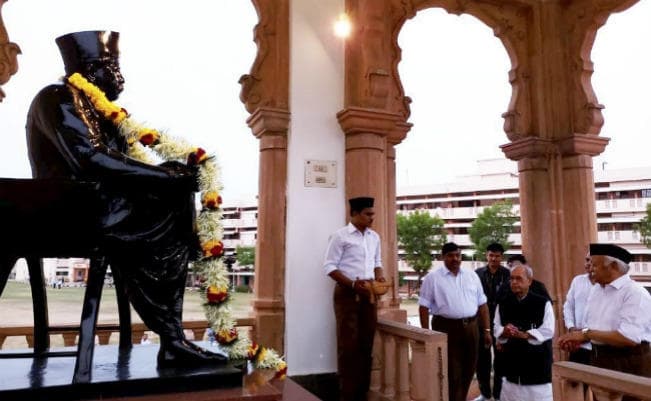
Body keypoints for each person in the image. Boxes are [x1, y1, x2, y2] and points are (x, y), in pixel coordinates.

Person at [26, 30, 225, 367]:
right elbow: (91, 158)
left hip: (102, 206)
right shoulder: (58, 97)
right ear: (90, 70)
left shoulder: (104, 112)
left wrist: (171, 173)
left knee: (174, 189)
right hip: (70, 211)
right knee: (170, 198)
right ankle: (173, 337)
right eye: (112, 66)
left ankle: (172, 337)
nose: (119, 75)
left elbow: (125, 165)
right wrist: (166, 177)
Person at [558, 243, 651, 401]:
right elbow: (594, 328)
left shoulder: (635, 293)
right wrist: (577, 339)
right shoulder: (597, 290)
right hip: (599, 360)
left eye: (595, 265)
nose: (590, 268)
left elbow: (628, 337)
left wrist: (586, 335)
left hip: (628, 364)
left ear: (613, 266)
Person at [323, 196, 385, 401]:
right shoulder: (340, 236)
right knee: (348, 346)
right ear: (355, 214)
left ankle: (362, 394)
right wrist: (351, 284)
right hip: (347, 294)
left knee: (367, 345)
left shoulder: (374, 237)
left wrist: (379, 278)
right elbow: (329, 266)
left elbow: (377, 262)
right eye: (368, 214)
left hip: (369, 294)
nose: (372, 217)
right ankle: (347, 395)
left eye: (373, 214)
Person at [419, 242, 492, 401]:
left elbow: (482, 304)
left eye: (458, 255)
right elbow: (423, 307)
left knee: (469, 368)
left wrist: (487, 330)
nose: (455, 259)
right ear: (443, 257)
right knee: (452, 373)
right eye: (450, 256)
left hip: (471, 328)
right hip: (446, 328)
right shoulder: (432, 278)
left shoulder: (472, 276)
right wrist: (425, 333)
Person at [494, 265, 554, 401]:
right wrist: (504, 331)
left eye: (519, 279)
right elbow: (496, 327)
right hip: (511, 371)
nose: (514, 282)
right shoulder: (503, 303)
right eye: (512, 279)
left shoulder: (543, 303)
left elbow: (548, 330)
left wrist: (525, 335)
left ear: (529, 281)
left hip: (537, 373)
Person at [473, 242, 510, 401]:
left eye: (497, 256)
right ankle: (485, 394)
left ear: (502, 257)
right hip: (481, 323)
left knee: (501, 361)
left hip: (501, 323)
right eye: (491, 255)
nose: (493, 259)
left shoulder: (508, 275)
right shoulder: (477, 274)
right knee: (482, 361)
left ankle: (499, 394)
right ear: (486, 256)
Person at [562, 251, 595, 364]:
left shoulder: (607, 286)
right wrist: (571, 328)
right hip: (578, 346)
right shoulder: (578, 281)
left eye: (592, 261)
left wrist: (584, 334)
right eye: (587, 260)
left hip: (597, 347)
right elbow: (568, 306)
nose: (588, 264)